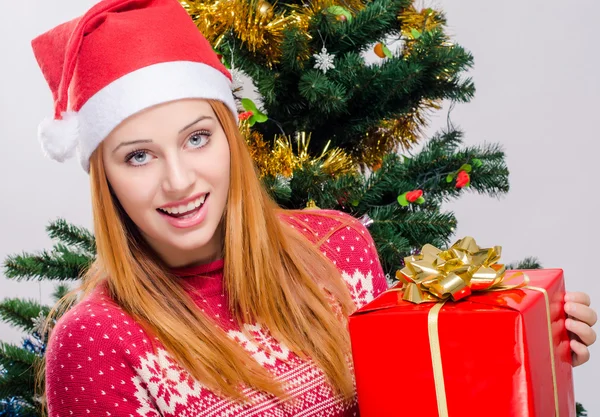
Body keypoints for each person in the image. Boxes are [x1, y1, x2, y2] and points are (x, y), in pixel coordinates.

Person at [30, 0, 596, 416]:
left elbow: (413, 400)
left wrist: (530, 358)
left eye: (197, 138)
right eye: (137, 156)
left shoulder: (339, 248)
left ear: (232, 137)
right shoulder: (96, 340)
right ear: (104, 178)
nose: (178, 181)